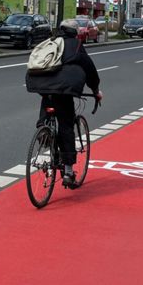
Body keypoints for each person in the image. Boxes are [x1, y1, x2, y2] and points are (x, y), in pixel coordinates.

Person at [25, 19, 103, 188]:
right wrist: (96, 91)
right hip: (64, 90)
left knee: (48, 100)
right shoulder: (75, 45)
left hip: (40, 84)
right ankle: (68, 172)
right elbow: (90, 69)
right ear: (76, 32)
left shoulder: (50, 42)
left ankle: (43, 129)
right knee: (66, 125)